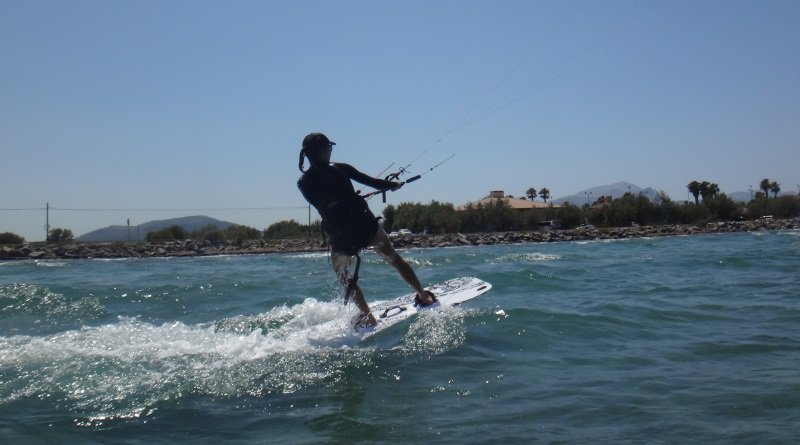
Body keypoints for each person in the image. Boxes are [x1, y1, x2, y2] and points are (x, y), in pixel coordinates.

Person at [297, 132, 436, 326]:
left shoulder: (302, 184)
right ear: (322, 151)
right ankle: (423, 296)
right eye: (329, 148)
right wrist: (393, 185)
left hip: (341, 237)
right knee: (394, 258)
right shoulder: (340, 168)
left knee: (343, 275)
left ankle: (369, 317)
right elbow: (373, 182)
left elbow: (327, 204)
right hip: (366, 227)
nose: (330, 151)